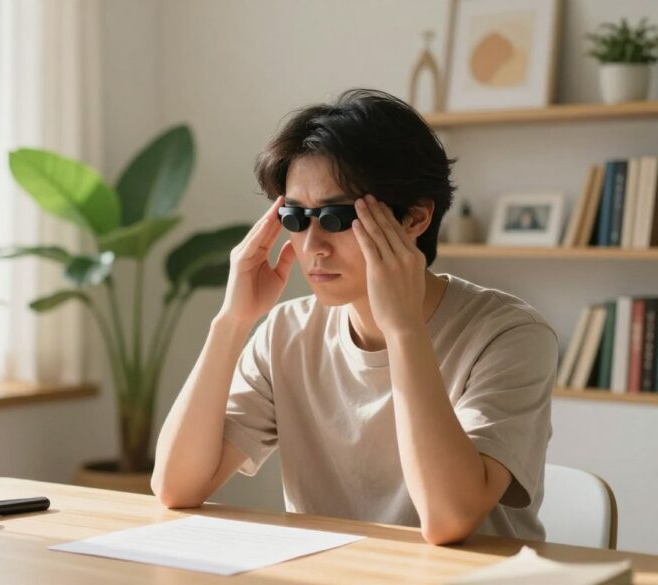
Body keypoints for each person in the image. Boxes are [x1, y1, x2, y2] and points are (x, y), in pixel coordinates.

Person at [150, 89, 558, 545]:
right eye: (296, 217)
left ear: (415, 217)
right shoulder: (286, 332)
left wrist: (403, 329)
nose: (313, 246)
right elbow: (176, 487)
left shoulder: (510, 335)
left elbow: (448, 519)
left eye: (337, 217)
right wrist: (231, 322)